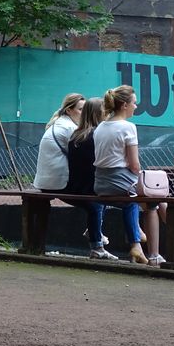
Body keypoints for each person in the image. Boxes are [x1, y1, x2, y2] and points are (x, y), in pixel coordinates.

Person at [93, 85, 165, 266]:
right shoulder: (128, 127)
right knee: (154, 202)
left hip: (100, 183)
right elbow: (134, 165)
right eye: (134, 103)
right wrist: (141, 175)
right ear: (124, 105)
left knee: (141, 200)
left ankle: (140, 245)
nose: (136, 106)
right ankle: (156, 254)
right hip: (121, 181)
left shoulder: (101, 126)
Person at [63, 98, 116, 259]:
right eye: (105, 112)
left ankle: (95, 233)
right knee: (101, 203)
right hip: (89, 188)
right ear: (99, 114)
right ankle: (97, 246)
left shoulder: (76, 135)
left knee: (100, 202)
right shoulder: (96, 135)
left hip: (75, 185)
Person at [33, 93, 85, 191]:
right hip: (59, 184)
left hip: (44, 182)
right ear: (68, 110)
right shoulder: (69, 127)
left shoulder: (59, 123)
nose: (84, 114)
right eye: (81, 110)